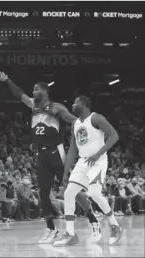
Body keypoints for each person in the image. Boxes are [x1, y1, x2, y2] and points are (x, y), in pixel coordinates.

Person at [0, 71, 95, 244]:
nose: (33, 92)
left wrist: (91, 126)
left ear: (44, 91)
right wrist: (8, 81)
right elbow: (20, 94)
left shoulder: (56, 107)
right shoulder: (33, 105)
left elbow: (74, 121)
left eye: (36, 89)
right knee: (43, 193)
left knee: (70, 186)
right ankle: (51, 229)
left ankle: (92, 218)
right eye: (33, 90)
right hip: (41, 154)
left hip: (56, 152)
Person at [54, 96, 123, 246]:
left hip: (98, 161)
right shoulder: (75, 123)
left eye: (75, 103)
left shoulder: (96, 118)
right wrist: (66, 172)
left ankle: (115, 226)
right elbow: (72, 149)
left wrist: (98, 153)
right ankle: (71, 234)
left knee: (95, 194)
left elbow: (114, 136)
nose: (72, 105)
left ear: (84, 105)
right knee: (68, 193)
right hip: (82, 162)